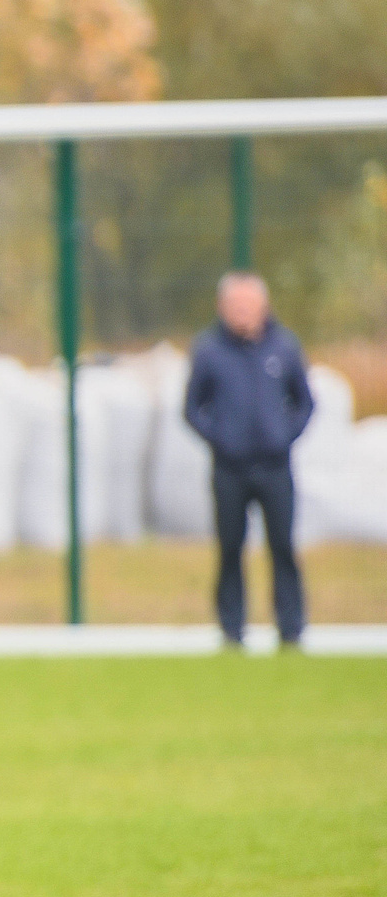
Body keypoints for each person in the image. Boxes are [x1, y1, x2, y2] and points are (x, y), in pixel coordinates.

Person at [185, 272, 314, 649]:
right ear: (222, 309)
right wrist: (220, 439)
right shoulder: (208, 350)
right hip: (229, 468)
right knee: (229, 547)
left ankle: (291, 629)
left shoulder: (284, 347)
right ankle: (231, 629)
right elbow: (192, 407)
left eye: (248, 305)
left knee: (282, 545)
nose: (242, 313)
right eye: (235, 306)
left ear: (264, 306)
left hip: (276, 466)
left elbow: (305, 403)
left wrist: (284, 436)